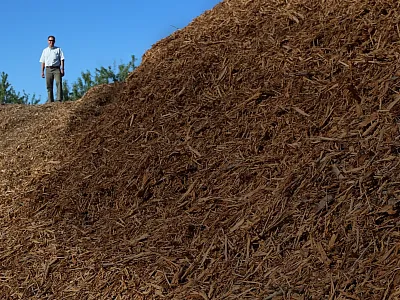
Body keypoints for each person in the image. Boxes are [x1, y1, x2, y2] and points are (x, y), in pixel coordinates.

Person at [39, 35, 65, 102]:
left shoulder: (58, 49)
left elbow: (62, 59)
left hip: (56, 69)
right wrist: (42, 71)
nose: (51, 42)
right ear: (48, 41)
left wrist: (62, 69)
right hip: (48, 69)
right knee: (49, 85)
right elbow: (42, 61)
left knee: (58, 83)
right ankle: (50, 100)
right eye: (50, 40)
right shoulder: (45, 51)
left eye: (52, 40)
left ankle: (59, 99)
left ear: (54, 41)